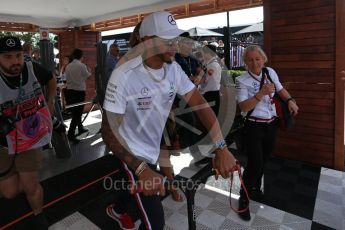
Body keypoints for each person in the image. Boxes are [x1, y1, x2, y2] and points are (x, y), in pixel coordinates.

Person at [102, 11, 236, 230]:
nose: (175, 44)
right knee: (156, 224)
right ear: (146, 42)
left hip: (151, 149)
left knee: (132, 189)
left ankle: (116, 210)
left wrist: (221, 146)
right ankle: (122, 203)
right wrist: (141, 168)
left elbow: (201, 106)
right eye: (167, 40)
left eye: (175, 38)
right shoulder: (124, 75)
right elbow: (107, 132)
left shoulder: (173, 69)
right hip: (130, 153)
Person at [235, 45, 299, 221]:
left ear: (263, 59)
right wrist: (260, 94)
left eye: (258, 59)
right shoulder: (242, 80)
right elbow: (243, 107)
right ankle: (243, 199)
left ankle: (255, 189)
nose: (255, 63)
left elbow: (279, 89)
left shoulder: (270, 72)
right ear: (245, 62)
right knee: (254, 164)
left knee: (265, 160)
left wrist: (291, 100)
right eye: (250, 60)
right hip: (254, 127)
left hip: (271, 124)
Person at [0, 36, 56, 229]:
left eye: (18, 55)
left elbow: (51, 79)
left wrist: (50, 103)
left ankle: (38, 215)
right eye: (8, 57)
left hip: (29, 137)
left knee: (30, 184)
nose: (15, 61)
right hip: (3, 142)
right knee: (9, 192)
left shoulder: (31, 68)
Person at [64, 48, 91, 143]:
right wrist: (89, 70)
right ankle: (71, 134)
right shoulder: (82, 66)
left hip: (70, 92)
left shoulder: (68, 66)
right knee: (77, 113)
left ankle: (80, 127)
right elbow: (88, 76)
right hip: (79, 92)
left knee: (76, 112)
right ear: (81, 56)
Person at [199, 44, 222, 116]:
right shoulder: (211, 64)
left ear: (208, 54)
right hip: (212, 94)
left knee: (210, 117)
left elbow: (205, 80)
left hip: (210, 94)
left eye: (203, 52)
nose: (202, 54)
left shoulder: (212, 65)